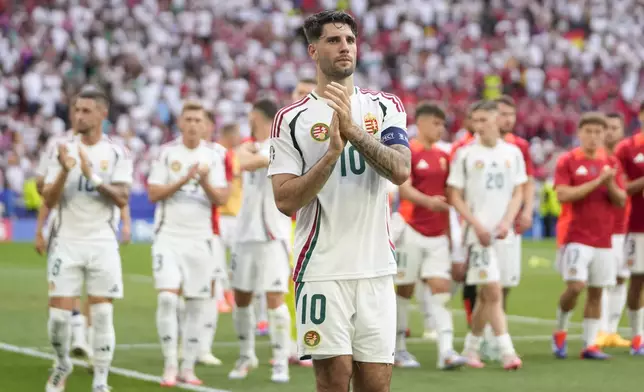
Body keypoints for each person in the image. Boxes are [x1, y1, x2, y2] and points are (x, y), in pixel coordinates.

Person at [268, 10, 411, 392]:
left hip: (377, 268)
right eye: (333, 40)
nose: (344, 46)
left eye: (349, 39)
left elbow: (400, 171)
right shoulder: (291, 119)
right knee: (332, 382)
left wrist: (355, 134)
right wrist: (330, 155)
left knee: (376, 386)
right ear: (313, 52)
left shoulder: (385, 107)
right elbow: (284, 200)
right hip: (322, 268)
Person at [42, 89, 133, 392]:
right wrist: (64, 171)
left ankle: (101, 380)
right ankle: (62, 363)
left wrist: (91, 175)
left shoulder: (117, 152)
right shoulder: (61, 148)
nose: (78, 116)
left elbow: (122, 197)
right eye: (76, 110)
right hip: (66, 240)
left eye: (85, 111)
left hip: (102, 242)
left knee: (103, 314)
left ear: (101, 115)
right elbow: (48, 198)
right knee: (57, 318)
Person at [148, 100, 229, 386]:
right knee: (168, 298)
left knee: (197, 304)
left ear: (205, 125)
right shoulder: (167, 153)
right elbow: (154, 193)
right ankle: (170, 364)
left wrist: (204, 181)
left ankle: (187, 367)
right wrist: (184, 179)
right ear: (180, 123)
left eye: (198, 120)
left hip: (201, 240)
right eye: (189, 119)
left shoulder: (215, 156)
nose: (193, 124)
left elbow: (221, 199)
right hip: (168, 237)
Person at [447, 100, 525, 370]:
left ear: (496, 120)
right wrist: (475, 225)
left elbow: (518, 191)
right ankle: (507, 352)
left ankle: (470, 349)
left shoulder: (513, 153)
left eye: (483, 119)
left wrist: (507, 221)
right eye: (475, 120)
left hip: (505, 233)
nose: (478, 126)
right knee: (491, 290)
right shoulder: (466, 154)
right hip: (476, 235)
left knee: (488, 295)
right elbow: (454, 195)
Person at [394, 101, 467, 369]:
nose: (440, 129)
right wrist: (429, 202)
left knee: (440, 289)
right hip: (410, 229)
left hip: (437, 233)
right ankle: (398, 348)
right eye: (436, 123)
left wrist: (451, 237)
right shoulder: (407, 151)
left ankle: (446, 351)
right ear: (421, 123)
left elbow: (449, 197)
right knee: (405, 289)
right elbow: (405, 189)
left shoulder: (444, 156)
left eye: (443, 124)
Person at [227, 98, 292, 383]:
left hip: (272, 235)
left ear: (256, 115)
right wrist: (247, 151)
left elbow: (246, 161)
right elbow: (239, 159)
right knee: (241, 298)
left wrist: (251, 153)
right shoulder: (251, 144)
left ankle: (280, 361)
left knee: (274, 300)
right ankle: (246, 355)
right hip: (244, 233)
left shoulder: (281, 146)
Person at [552, 112, 626, 360]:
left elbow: (621, 200)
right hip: (575, 236)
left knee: (596, 291)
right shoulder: (568, 161)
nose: (593, 137)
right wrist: (598, 182)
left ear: (605, 135)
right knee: (575, 287)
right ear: (580, 133)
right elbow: (563, 195)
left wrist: (609, 183)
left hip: (604, 238)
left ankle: (589, 345)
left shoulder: (612, 163)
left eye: (598, 132)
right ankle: (560, 331)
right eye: (589, 132)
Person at [478, 95, 535, 360]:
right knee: (487, 284)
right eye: (502, 114)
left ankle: (488, 332)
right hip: (481, 226)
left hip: (509, 225)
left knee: (506, 282)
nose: (507, 119)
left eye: (511, 114)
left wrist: (527, 210)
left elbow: (527, 183)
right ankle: (486, 338)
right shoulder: (472, 147)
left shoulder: (519, 146)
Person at [283, 77, 316, 368]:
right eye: (299, 92)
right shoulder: (285, 131)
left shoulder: (325, 130)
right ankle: (295, 343)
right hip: (287, 221)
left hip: (319, 220)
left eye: (309, 93)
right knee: (291, 285)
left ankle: (310, 342)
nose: (304, 98)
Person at [595, 112, 631, 348]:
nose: (610, 132)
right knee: (604, 279)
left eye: (615, 127)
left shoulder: (625, 156)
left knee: (621, 277)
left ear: (622, 130)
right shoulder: (598, 157)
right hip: (604, 227)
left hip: (626, 225)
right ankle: (601, 330)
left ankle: (612, 330)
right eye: (606, 127)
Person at [614, 103, 644, 356]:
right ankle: (638, 337)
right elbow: (621, 187)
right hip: (637, 225)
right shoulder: (627, 148)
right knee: (638, 280)